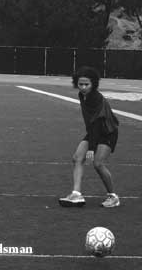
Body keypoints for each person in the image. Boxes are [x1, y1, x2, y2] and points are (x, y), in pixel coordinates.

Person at [59, 66, 119, 208]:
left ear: (94, 84)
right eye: (81, 84)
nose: (84, 87)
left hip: (107, 132)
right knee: (77, 158)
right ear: (76, 83)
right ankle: (76, 194)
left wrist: (91, 148)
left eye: (87, 84)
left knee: (98, 163)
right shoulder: (82, 95)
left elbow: (98, 123)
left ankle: (113, 197)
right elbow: (93, 125)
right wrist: (91, 142)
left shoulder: (95, 98)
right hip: (94, 131)